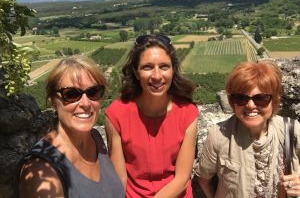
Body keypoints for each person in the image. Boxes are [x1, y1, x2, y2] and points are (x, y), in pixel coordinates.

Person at [17, 56, 125, 198]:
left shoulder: (96, 139)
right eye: (72, 94)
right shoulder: (43, 174)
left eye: (93, 92)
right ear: (53, 102)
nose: (86, 103)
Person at [105, 34, 199, 197]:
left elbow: (182, 179)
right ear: (136, 71)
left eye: (164, 66)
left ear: (172, 69)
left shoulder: (187, 112)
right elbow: (119, 178)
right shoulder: (116, 114)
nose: (156, 76)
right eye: (147, 67)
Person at [196, 61, 300, 198]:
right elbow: (203, 179)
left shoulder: (292, 131)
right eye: (241, 98)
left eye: (261, 98)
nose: (250, 105)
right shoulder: (219, 135)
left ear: (274, 100)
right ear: (232, 101)